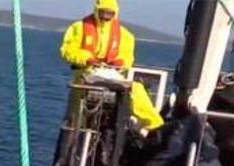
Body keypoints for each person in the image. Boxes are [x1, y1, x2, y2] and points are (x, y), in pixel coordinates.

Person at [59, 0, 164, 131]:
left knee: (135, 89)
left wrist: (120, 62)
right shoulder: (78, 28)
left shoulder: (124, 35)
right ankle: (73, 138)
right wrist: (87, 59)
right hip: (86, 73)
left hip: (111, 73)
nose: (105, 16)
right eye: (103, 12)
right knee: (75, 118)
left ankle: (154, 124)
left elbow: (127, 57)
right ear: (97, 10)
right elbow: (67, 50)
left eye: (109, 13)